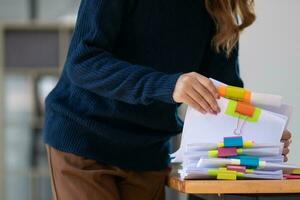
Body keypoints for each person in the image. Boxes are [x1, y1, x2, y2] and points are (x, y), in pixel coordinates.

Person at [43, 0, 292, 199]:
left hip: (147, 155)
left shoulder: (218, 8)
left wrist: (261, 138)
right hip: (85, 142)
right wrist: (168, 85)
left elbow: (223, 96)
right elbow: (83, 61)